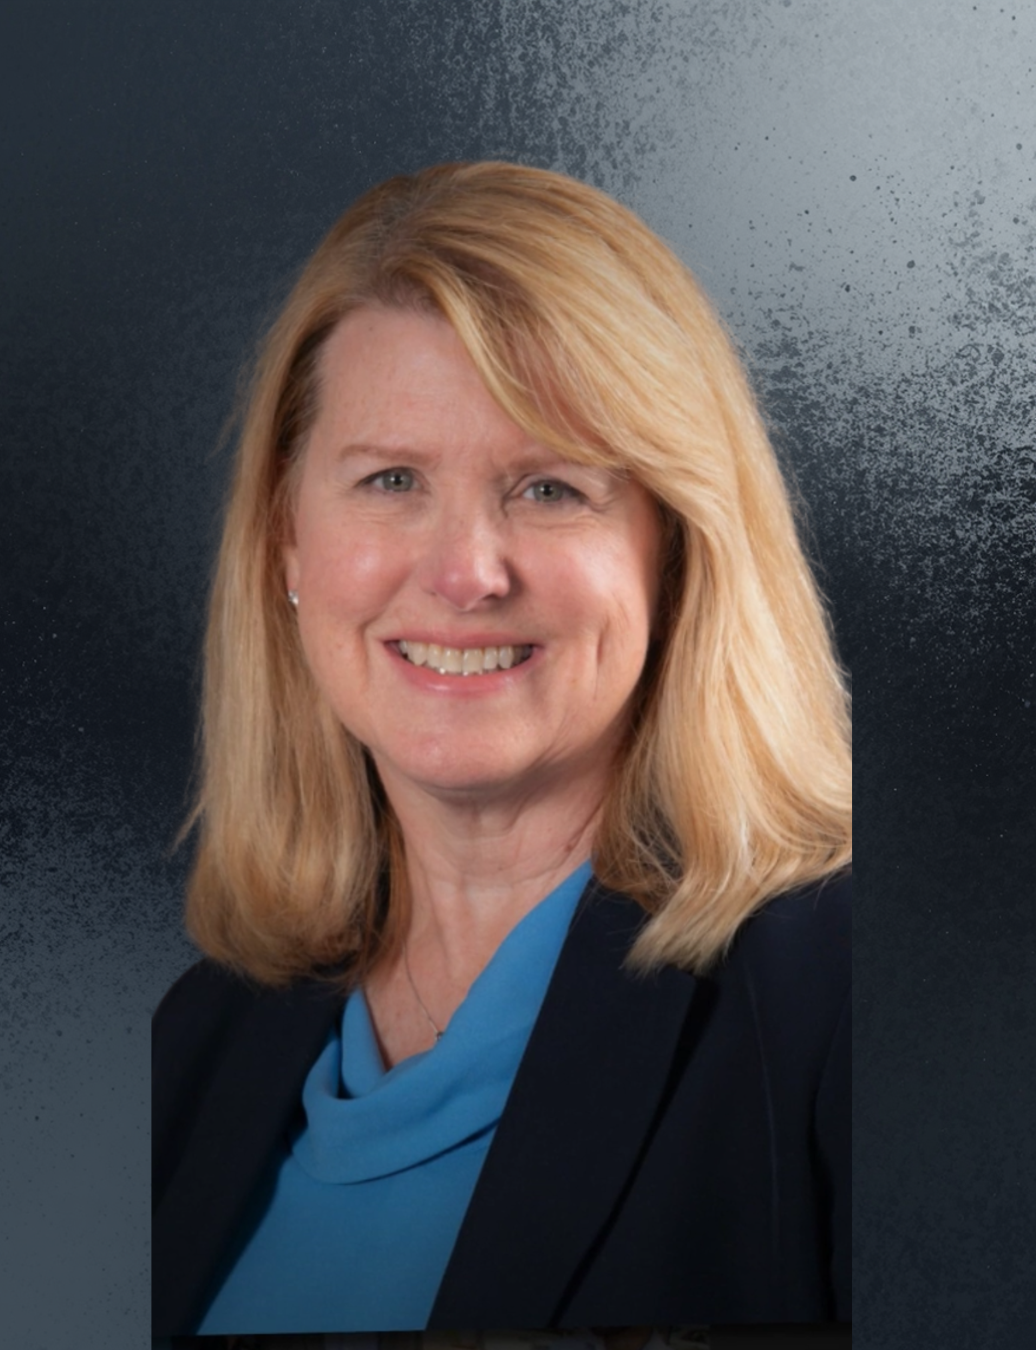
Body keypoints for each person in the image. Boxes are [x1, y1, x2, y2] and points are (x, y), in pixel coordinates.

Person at [152, 161, 852, 1338]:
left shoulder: (848, 1008)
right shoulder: (195, 1043)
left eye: (548, 489)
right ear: (286, 540)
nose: (467, 572)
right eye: (390, 480)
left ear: (677, 548)